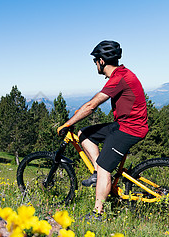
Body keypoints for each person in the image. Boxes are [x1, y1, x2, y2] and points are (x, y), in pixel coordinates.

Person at [57, 40, 148, 219]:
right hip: (124, 123)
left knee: (106, 168)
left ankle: (98, 214)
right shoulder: (121, 74)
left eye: (95, 61)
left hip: (131, 128)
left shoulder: (120, 78)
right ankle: (98, 174)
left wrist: (68, 123)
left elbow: (92, 105)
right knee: (85, 134)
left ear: (102, 61)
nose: (95, 65)